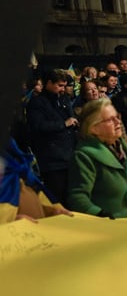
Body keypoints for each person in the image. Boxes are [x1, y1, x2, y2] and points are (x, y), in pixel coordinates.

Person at [26, 69, 78, 203]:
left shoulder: (64, 99)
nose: (63, 89)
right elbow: (38, 126)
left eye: (64, 86)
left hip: (69, 156)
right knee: (58, 197)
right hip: (52, 160)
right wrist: (63, 124)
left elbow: (71, 118)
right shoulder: (37, 103)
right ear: (49, 83)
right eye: (60, 85)